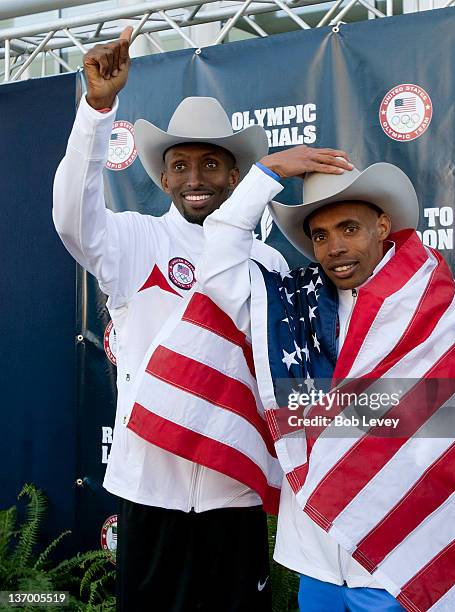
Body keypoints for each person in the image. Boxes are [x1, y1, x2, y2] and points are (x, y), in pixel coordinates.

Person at [52, 27, 335, 612]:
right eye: (180, 166)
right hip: (148, 490)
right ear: (163, 178)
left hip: (234, 491)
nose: (196, 178)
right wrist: (97, 109)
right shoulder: (135, 239)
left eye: (212, 165)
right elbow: (70, 219)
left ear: (236, 177)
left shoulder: (267, 260)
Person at [195, 150, 455, 610]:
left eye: (349, 229)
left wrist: (333, 411)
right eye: (320, 235)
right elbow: (217, 268)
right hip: (320, 558)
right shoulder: (290, 307)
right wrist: (269, 174)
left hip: (398, 561)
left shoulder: (431, 302)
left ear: (382, 227)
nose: (335, 248)